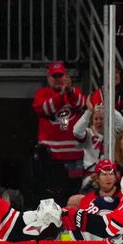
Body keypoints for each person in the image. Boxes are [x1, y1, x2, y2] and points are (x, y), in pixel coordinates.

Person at [32, 61, 86, 205]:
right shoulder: (42, 93)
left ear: (66, 77)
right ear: (48, 78)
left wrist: (69, 92)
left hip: (74, 157)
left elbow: (83, 104)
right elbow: (44, 109)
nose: (57, 79)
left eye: (60, 76)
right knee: (52, 196)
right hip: (52, 159)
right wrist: (61, 96)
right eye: (54, 76)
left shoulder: (75, 92)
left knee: (74, 196)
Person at [72, 104, 123, 189]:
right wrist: (88, 112)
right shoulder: (88, 133)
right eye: (96, 119)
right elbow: (76, 132)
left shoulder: (111, 132)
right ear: (92, 120)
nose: (99, 121)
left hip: (110, 173)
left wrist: (110, 109)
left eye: (101, 119)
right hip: (92, 174)